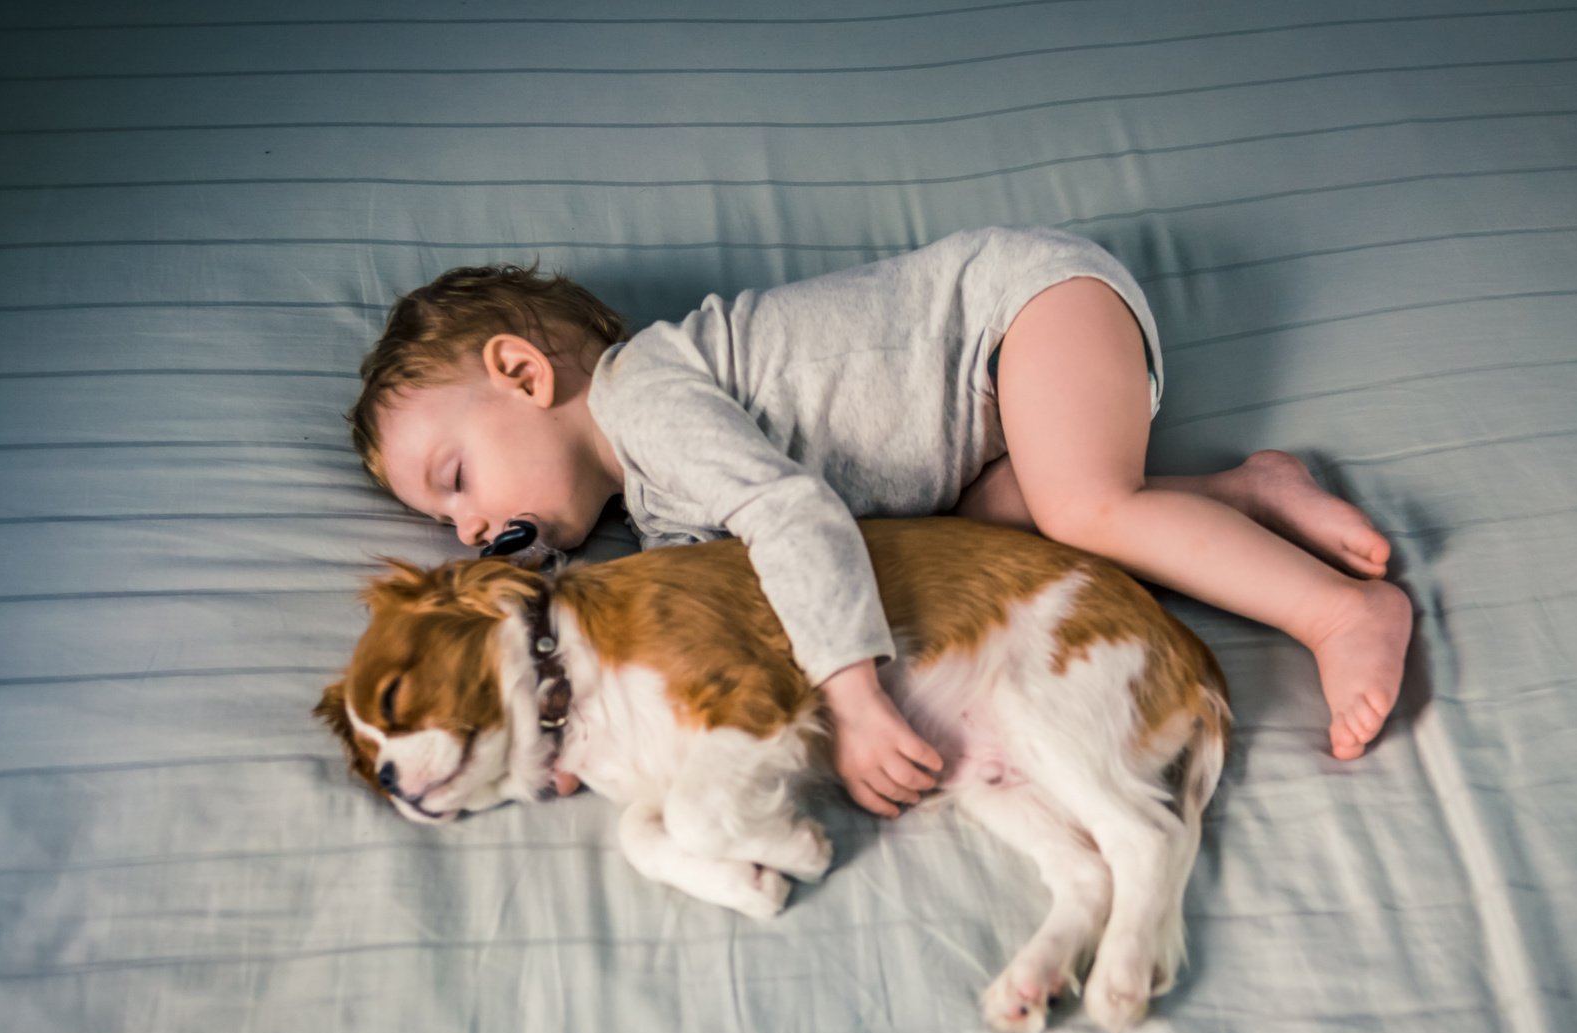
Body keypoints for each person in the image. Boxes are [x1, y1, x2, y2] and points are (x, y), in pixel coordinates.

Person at [347, 227, 1412, 817]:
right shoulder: (661, 515)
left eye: (453, 476)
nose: (466, 523)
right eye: (443, 515)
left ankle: (1337, 612)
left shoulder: (643, 398)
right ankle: (1245, 490)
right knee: (1030, 538)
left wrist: (853, 699)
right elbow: (741, 624)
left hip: (1019, 314)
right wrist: (568, 728)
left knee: (1087, 504)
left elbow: (797, 519)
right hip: (976, 447)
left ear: (523, 373)